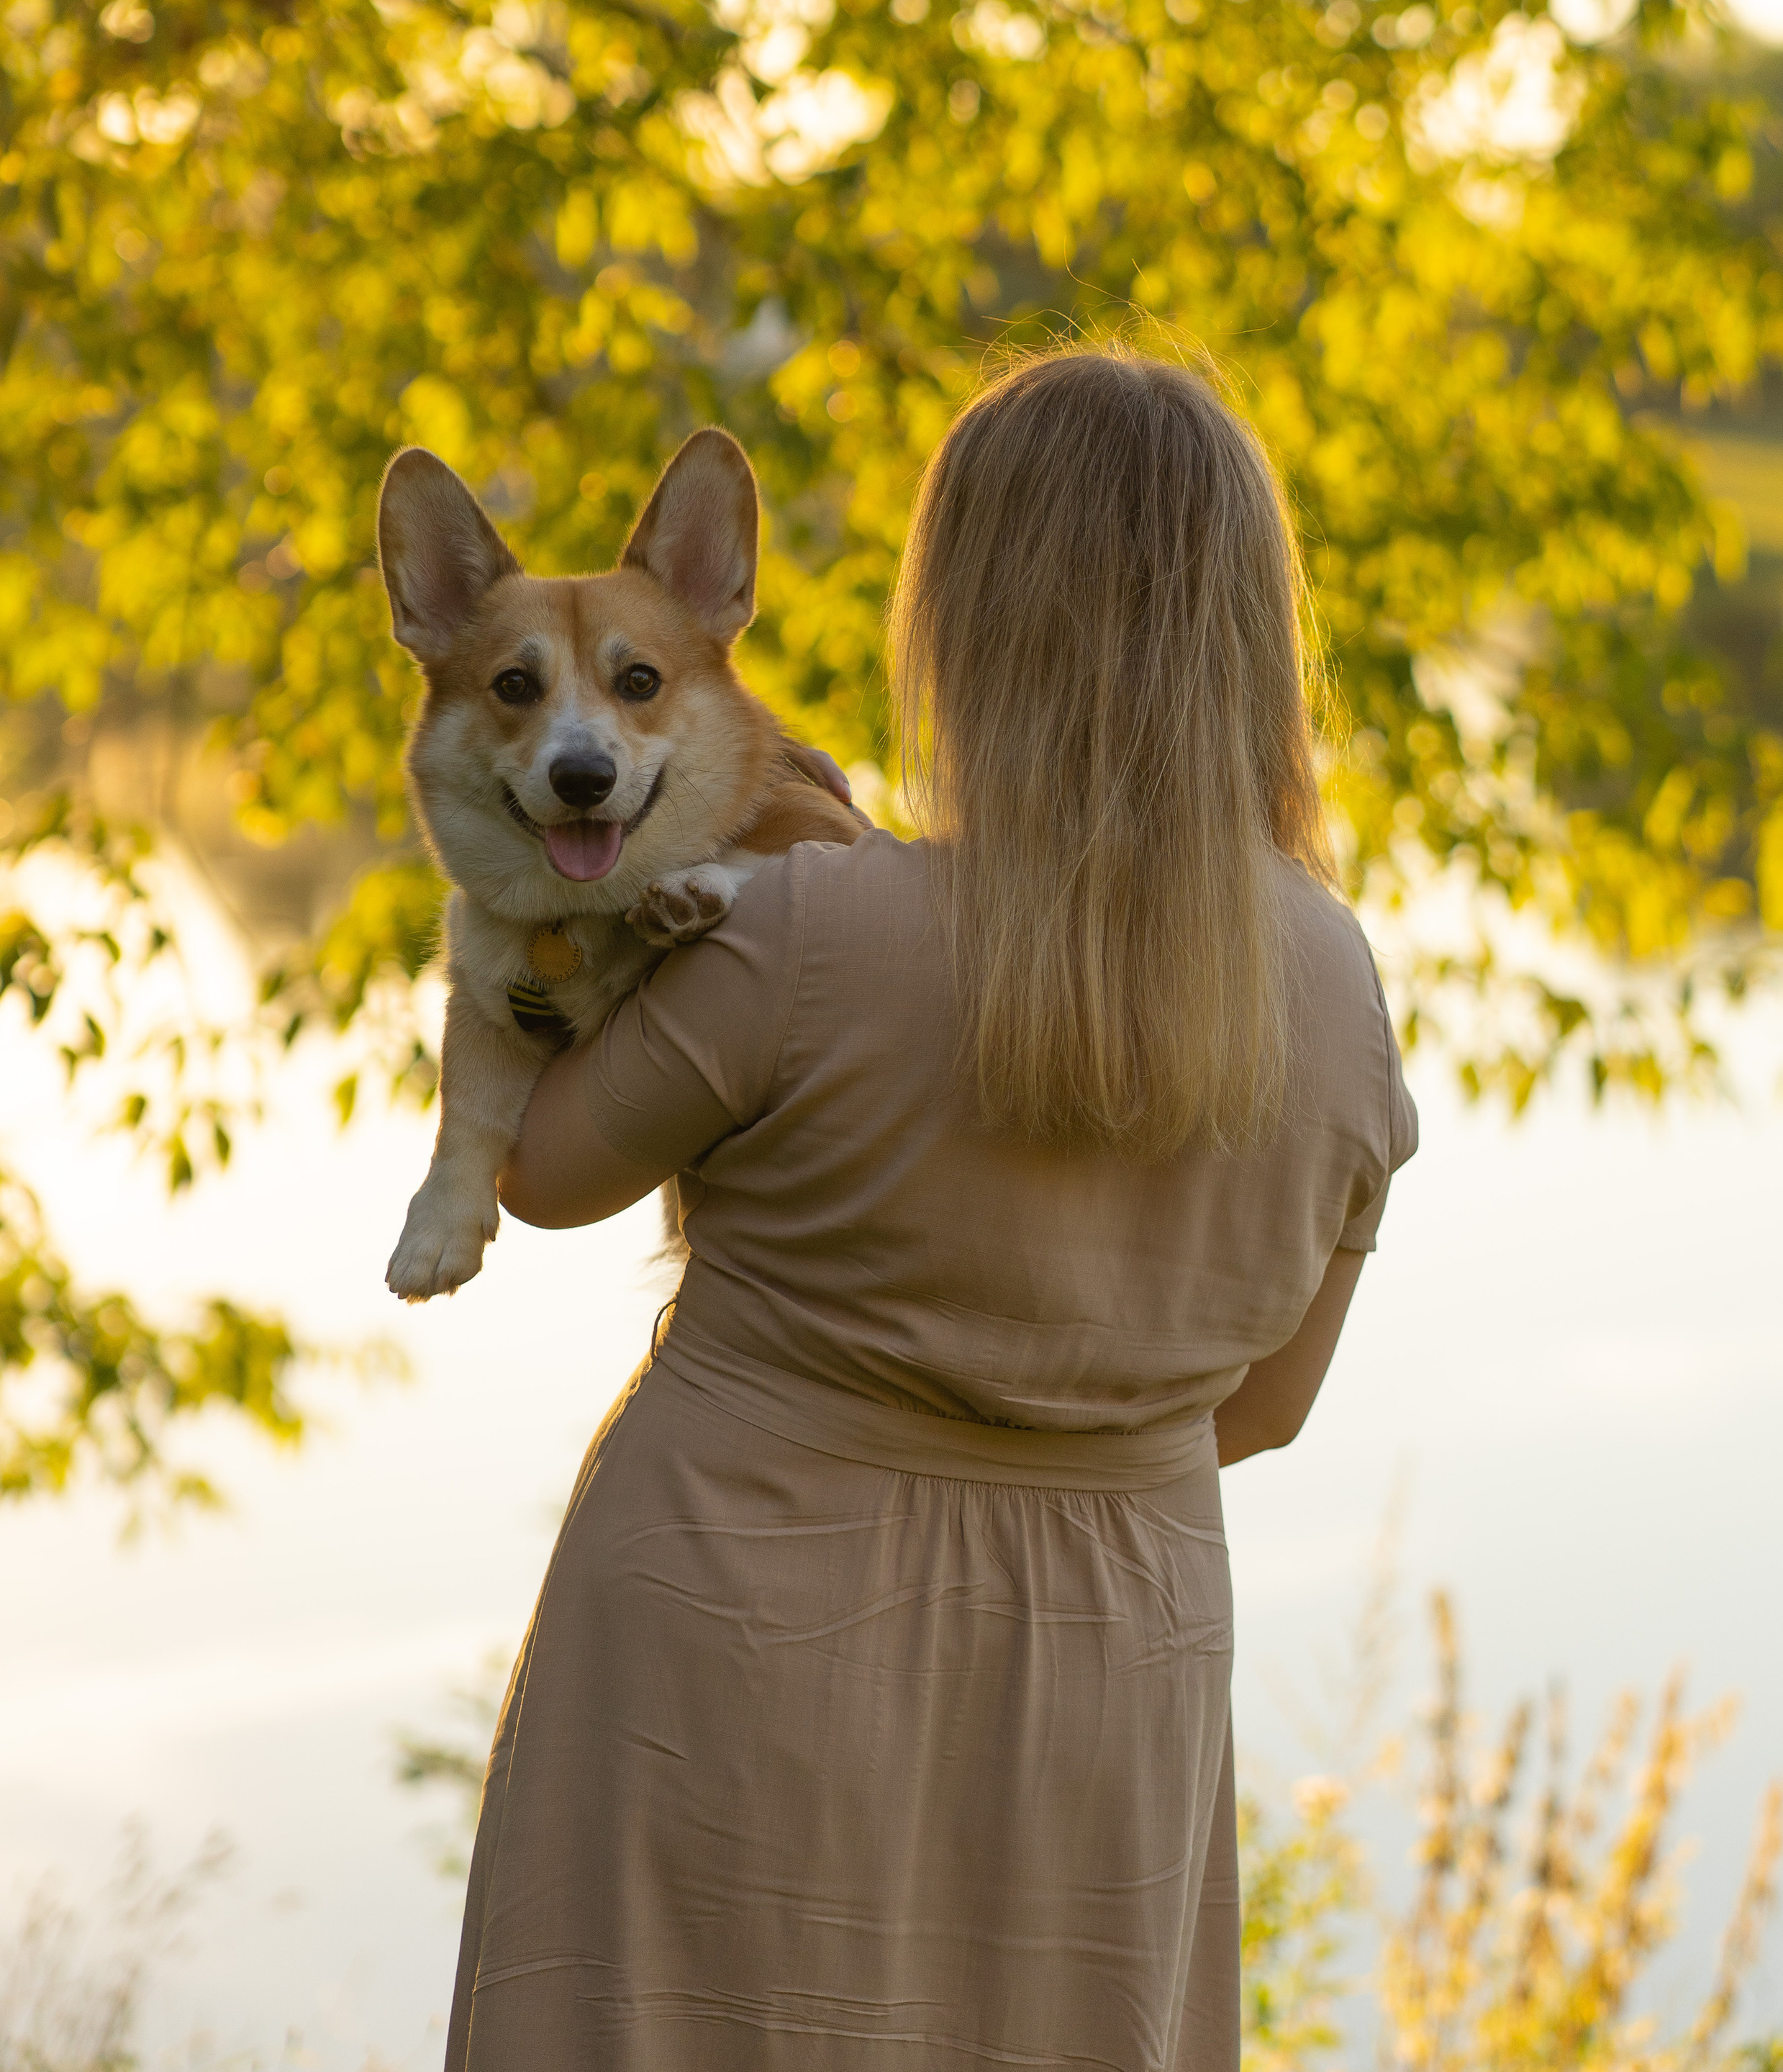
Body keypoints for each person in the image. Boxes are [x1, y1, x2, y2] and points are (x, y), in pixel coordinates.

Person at [445, 344, 1419, 2072]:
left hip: (727, 1636)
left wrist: (600, 912)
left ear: (962, 623)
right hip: (1108, 1665)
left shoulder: (805, 928)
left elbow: (542, 1177)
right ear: (1245, 638)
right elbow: (1259, 1409)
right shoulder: (1333, 982)